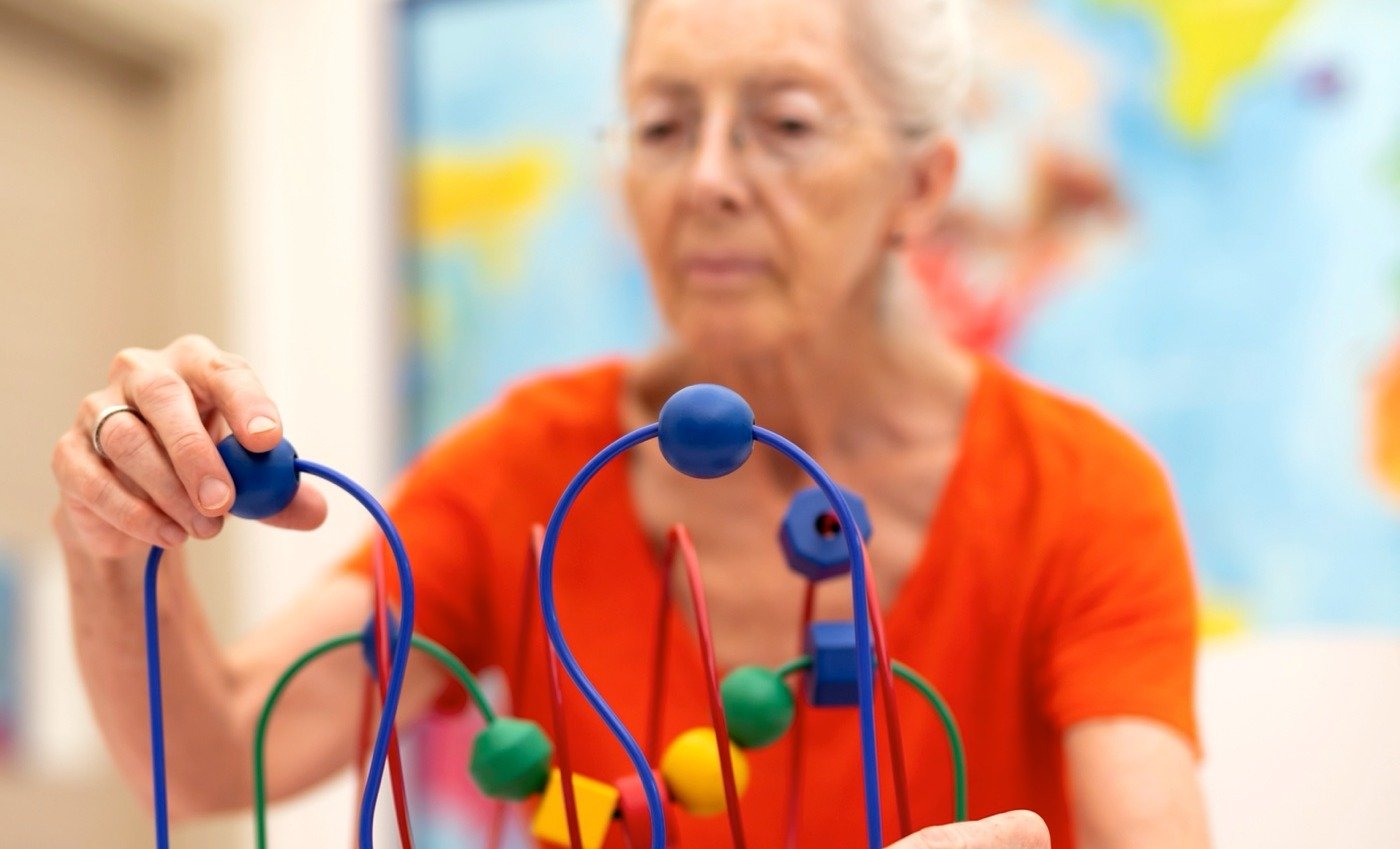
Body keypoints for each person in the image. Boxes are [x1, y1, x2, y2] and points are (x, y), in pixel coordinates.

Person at [49, 0, 1209, 847]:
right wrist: (116, 545)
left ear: (917, 186)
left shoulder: (1077, 490)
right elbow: (212, 754)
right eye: (659, 127)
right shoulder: (527, 466)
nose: (705, 178)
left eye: (785, 124)